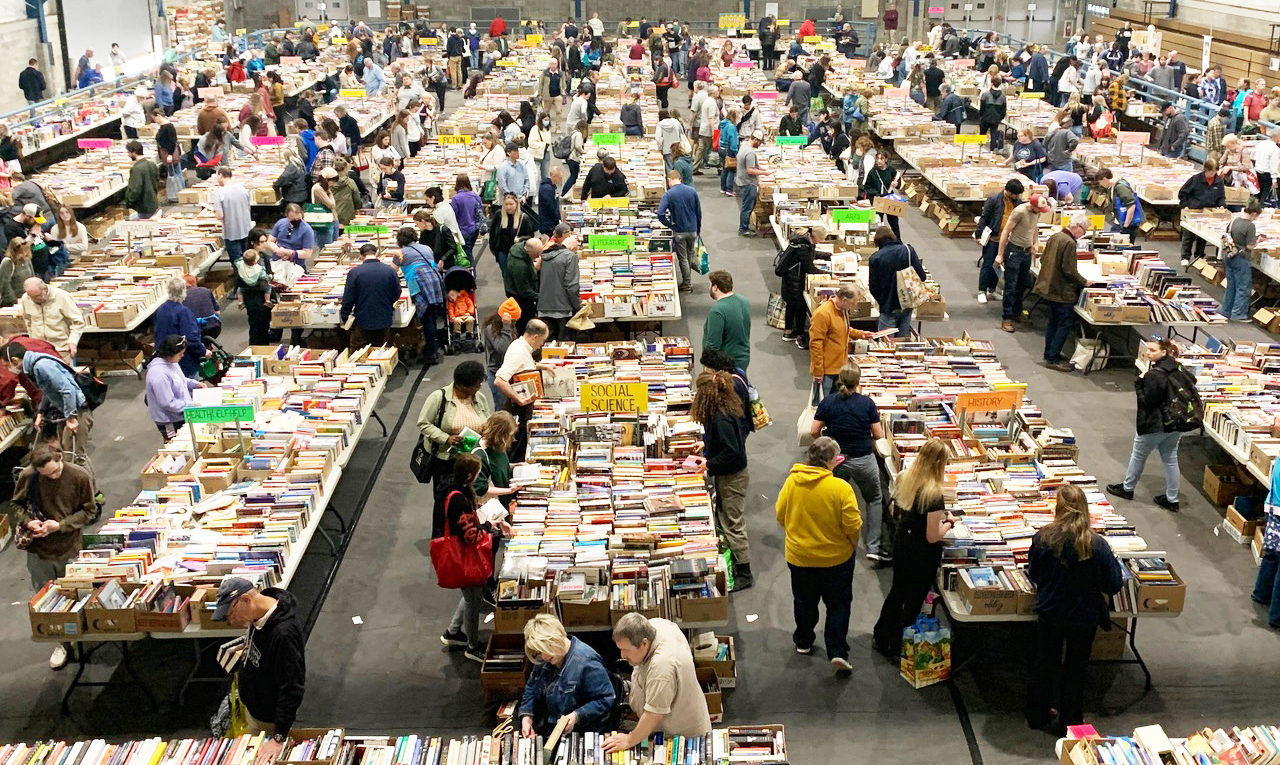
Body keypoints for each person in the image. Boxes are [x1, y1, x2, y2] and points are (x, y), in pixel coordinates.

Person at [1024, 484, 1124, 733]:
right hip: (1084, 616)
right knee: (1076, 667)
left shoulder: (1043, 538)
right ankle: (1071, 720)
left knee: (1045, 661)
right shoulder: (1096, 544)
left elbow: (1034, 573)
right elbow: (1113, 584)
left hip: (1051, 611)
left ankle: (1037, 715)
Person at [774, 436, 861, 671]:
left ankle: (803, 641)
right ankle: (837, 650)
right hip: (836, 559)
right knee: (838, 604)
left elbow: (780, 515)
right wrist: (852, 545)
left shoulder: (792, 482)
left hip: (800, 557)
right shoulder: (841, 488)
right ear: (831, 461)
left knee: (804, 601)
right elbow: (853, 525)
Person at [14, 444, 97, 670]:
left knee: (79, 592)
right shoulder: (28, 477)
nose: (54, 476)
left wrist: (60, 525)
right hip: (39, 551)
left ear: (60, 458)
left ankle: (87, 635)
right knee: (48, 599)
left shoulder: (79, 476)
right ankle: (63, 642)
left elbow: (90, 510)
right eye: (47, 475)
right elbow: (17, 504)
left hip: (69, 546)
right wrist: (29, 522)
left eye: (56, 470)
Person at [209, 576, 306, 746]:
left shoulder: (283, 635)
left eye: (231, 613)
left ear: (246, 600)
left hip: (267, 721)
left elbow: (292, 686)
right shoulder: (258, 617)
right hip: (253, 709)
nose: (232, 621)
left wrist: (278, 737)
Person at [436, 452, 512, 662]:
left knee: (471, 594)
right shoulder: (458, 499)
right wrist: (490, 526)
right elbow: (471, 535)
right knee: (473, 600)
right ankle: (472, 645)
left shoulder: (455, 490)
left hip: (464, 554)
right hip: (464, 556)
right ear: (470, 476)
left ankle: (452, 632)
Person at [1106, 339, 1196, 512]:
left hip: (1156, 424)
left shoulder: (1155, 375)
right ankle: (1172, 499)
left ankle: (1127, 488)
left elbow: (1148, 401)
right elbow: (1192, 381)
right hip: (1176, 423)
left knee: (1138, 455)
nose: (1148, 353)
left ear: (1163, 353)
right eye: (1148, 350)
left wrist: (1139, 383)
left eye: (1152, 350)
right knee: (1170, 458)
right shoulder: (1178, 368)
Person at [602, 613, 712, 754]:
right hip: (668, 720)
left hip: (680, 735)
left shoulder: (662, 668)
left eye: (626, 650)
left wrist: (629, 740)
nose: (622, 655)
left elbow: (653, 714)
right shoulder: (656, 625)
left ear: (644, 643)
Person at [692, 370, 752, 591]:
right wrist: (707, 448)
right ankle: (737, 560)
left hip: (733, 476)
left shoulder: (721, 418)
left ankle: (745, 571)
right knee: (725, 517)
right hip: (730, 474)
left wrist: (708, 464)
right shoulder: (726, 408)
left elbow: (732, 453)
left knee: (733, 522)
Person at [418, 361, 493, 527]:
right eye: (477, 384)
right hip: (446, 461)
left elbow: (487, 419)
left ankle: (469, 531)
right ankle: (443, 534)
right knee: (446, 501)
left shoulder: (479, 398)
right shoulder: (439, 398)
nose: (480, 387)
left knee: (469, 500)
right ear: (464, 386)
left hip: (471, 461)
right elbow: (424, 423)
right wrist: (446, 438)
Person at [519, 613, 615, 737]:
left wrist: (576, 716)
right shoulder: (547, 656)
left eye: (545, 649)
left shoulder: (586, 662)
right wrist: (526, 718)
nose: (543, 656)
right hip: (547, 724)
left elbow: (606, 698)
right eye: (539, 651)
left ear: (557, 638)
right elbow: (531, 687)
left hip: (578, 732)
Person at [1031, 211, 1091, 372]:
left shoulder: (1056, 236)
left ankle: (1050, 352)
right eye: (1084, 231)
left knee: (1053, 323)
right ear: (1078, 227)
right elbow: (1069, 270)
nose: (1082, 235)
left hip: (1049, 287)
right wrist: (1085, 282)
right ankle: (1053, 358)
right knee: (1063, 324)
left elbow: (1043, 259)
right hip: (1062, 292)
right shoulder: (1070, 243)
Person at [996, 194, 1051, 333]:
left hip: (1026, 252)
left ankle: (1016, 313)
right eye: (1038, 209)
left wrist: (1035, 244)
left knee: (1022, 284)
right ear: (1032, 205)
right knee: (1010, 286)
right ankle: (1006, 318)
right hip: (1014, 251)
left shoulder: (1036, 212)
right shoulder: (1019, 212)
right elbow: (1006, 232)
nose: (1039, 212)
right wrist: (1000, 254)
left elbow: (1034, 229)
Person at [867, 225, 926, 339]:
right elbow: (922, 276)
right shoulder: (908, 250)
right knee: (902, 341)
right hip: (907, 302)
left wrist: (883, 302)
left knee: (886, 342)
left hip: (888, 305)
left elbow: (873, 287)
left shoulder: (876, 258)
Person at [340, 243, 400, 350]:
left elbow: (348, 299)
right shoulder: (389, 271)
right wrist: (387, 303)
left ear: (361, 256)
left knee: (358, 353)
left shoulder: (354, 273)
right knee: (381, 351)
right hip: (384, 318)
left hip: (362, 320)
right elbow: (397, 292)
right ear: (377, 253)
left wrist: (345, 318)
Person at [145, 334, 205, 440]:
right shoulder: (159, 374)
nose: (182, 356)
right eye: (180, 354)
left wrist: (194, 383)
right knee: (176, 445)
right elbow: (167, 403)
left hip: (181, 413)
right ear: (169, 354)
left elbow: (179, 380)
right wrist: (191, 404)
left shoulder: (172, 362)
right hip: (170, 420)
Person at [974, 179, 1023, 304]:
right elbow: (984, 217)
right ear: (1007, 191)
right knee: (988, 265)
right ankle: (982, 291)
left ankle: (992, 290)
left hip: (1008, 240)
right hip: (993, 238)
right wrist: (978, 235)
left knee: (999, 267)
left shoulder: (1018, 203)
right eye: (1015, 194)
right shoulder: (994, 200)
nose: (1017, 197)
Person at [809, 285, 864, 395]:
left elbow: (842, 329)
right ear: (844, 300)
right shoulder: (823, 313)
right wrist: (818, 371)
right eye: (852, 304)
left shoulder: (842, 310)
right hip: (827, 371)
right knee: (823, 402)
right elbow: (816, 343)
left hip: (839, 368)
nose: (853, 307)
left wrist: (861, 334)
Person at [153, 276, 206, 379]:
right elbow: (191, 338)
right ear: (184, 291)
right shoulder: (184, 312)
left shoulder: (160, 309)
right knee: (189, 388)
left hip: (165, 359)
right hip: (184, 362)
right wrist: (203, 351)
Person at [656, 170, 700, 293]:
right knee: (690, 255)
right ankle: (688, 279)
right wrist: (698, 228)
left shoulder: (669, 194)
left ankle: (687, 283)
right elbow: (698, 213)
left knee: (683, 258)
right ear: (680, 179)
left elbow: (660, 213)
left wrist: (669, 224)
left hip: (679, 230)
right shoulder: (692, 191)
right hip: (692, 229)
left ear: (669, 180)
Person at [1221, 199, 1265, 323]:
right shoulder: (1249, 225)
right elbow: (1250, 246)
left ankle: (1226, 310)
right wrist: (1258, 241)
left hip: (1229, 256)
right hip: (1241, 258)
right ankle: (1238, 314)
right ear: (1254, 213)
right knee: (1243, 287)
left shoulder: (1234, 220)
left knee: (1231, 285)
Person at [21, 278, 84, 362]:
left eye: (37, 296)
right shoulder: (26, 299)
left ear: (45, 289)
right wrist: (32, 340)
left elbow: (78, 322)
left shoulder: (62, 297)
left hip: (61, 348)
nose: (34, 300)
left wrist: (73, 341)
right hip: (38, 349)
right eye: (32, 297)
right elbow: (28, 321)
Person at [1177, 159, 1226, 267]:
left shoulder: (1218, 181)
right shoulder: (1195, 179)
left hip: (1208, 212)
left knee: (1203, 237)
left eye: (1214, 172)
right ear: (1205, 170)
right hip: (1194, 210)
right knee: (1188, 236)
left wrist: (1222, 204)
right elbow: (1183, 193)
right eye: (1210, 171)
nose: (1212, 174)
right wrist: (1185, 205)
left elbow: (1221, 196)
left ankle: (1199, 255)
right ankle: (1185, 257)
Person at [536, 228, 580, 341]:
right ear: (573, 248)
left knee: (546, 343)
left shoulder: (545, 255)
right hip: (563, 308)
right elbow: (571, 285)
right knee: (564, 344)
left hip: (544, 305)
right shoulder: (570, 257)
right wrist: (578, 306)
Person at [702, 270, 750, 370]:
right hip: (742, 359)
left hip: (724, 365)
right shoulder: (743, 301)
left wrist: (708, 367)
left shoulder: (717, 311)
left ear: (715, 287)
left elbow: (713, 345)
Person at [267, 203, 316, 272]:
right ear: (287, 216)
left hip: (296, 265)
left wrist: (289, 253)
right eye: (293, 219)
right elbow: (270, 241)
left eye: (298, 219)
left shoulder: (307, 230)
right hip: (277, 262)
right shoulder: (280, 223)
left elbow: (307, 253)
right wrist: (278, 251)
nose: (296, 221)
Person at [734, 130, 766, 237]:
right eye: (760, 142)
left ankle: (744, 226)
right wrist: (765, 172)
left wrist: (760, 168)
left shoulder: (744, 145)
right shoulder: (750, 153)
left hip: (742, 180)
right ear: (755, 140)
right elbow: (750, 170)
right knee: (747, 206)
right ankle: (743, 228)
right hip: (748, 182)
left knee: (748, 205)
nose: (760, 145)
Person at [124, 140, 159, 220]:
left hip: (143, 205)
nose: (128, 155)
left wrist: (129, 201)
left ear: (134, 152)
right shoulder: (151, 164)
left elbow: (135, 189)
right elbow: (156, 180)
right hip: (153, 202)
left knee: (145, 228)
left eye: (129, 152)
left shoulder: (137, 169)